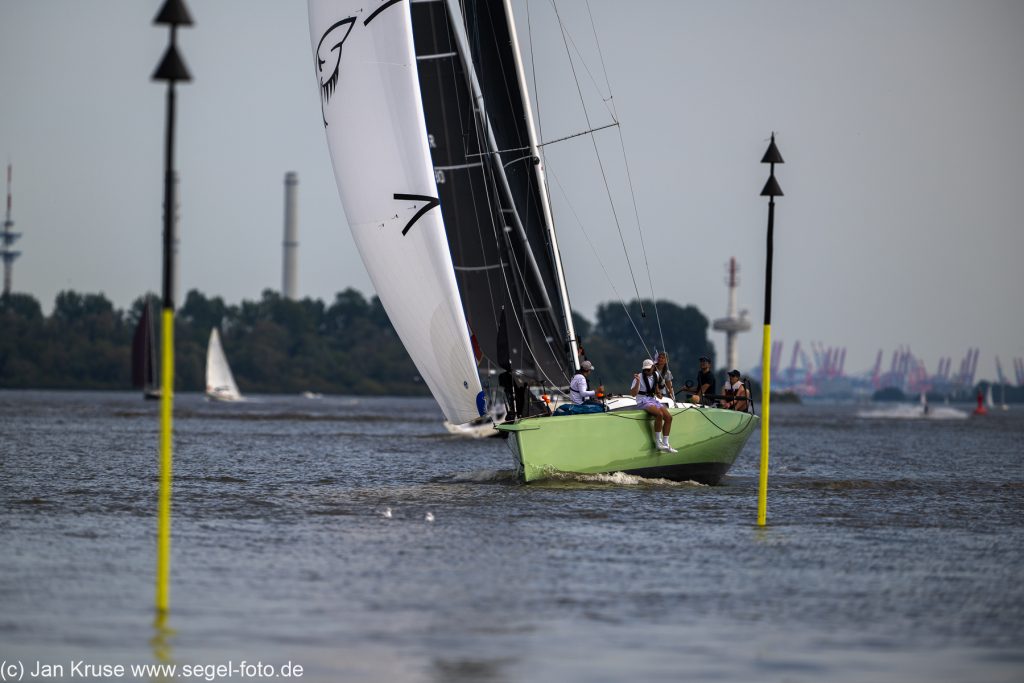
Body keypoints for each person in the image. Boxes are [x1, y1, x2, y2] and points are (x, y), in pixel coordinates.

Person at [630, 358, 677, 453]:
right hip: (642, 401)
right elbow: (633, 394)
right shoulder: (638, 377)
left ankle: (666, 443)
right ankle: (658, 442)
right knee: (659, 414)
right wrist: (638, 381)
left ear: (653, 367)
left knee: (669, 418)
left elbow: (655, 387)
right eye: (645, 370)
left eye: (648, 369)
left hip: (652, 400)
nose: (646, 371)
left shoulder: (656, 375)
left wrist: (658, 393)